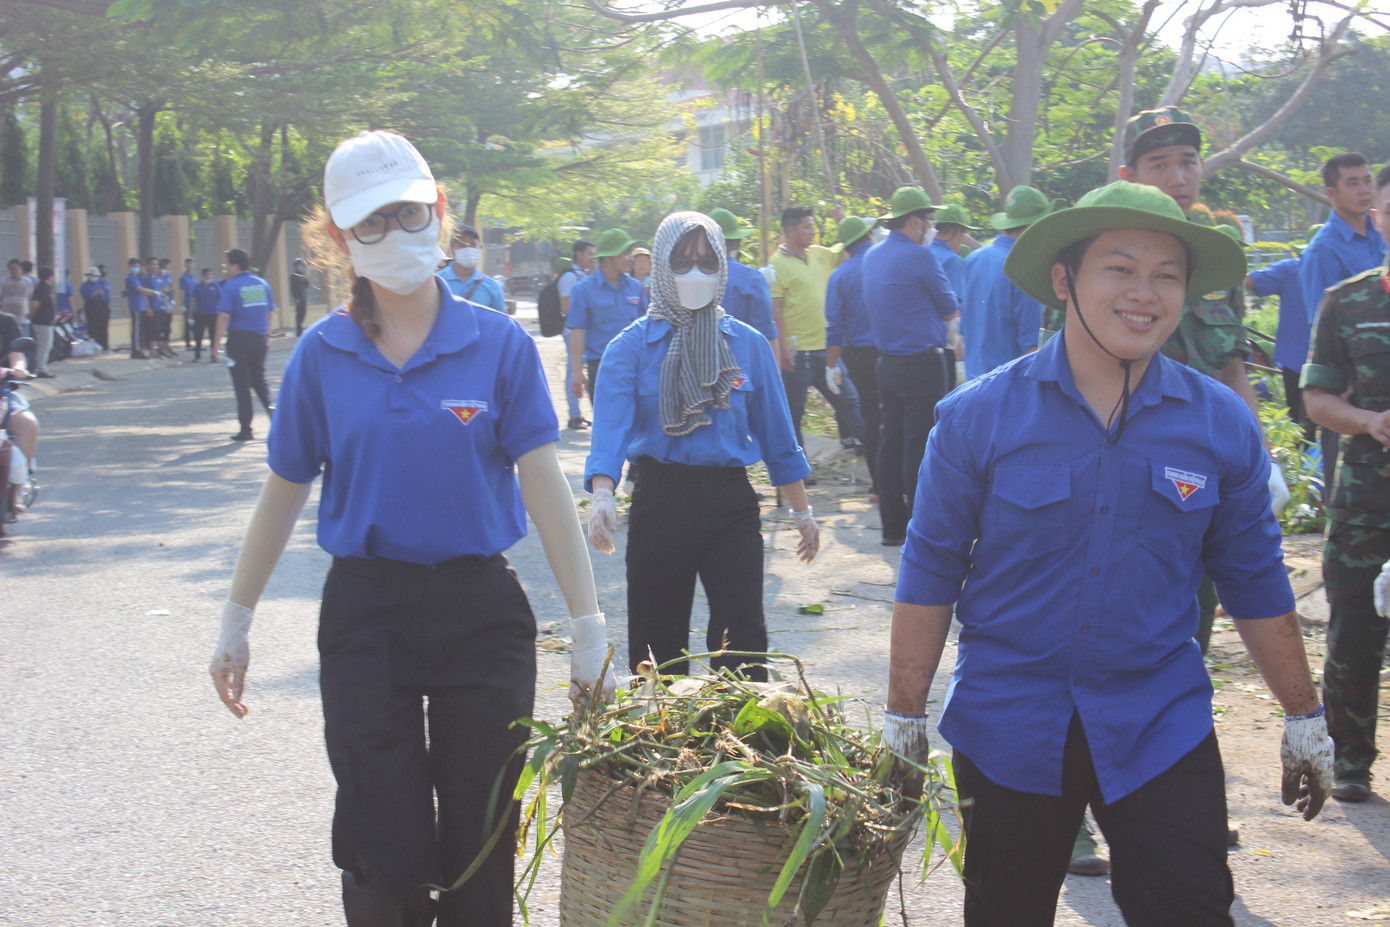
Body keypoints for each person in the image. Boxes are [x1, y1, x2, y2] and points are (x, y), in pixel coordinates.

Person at [884, 181, 1334, 926]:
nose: (1144, 293)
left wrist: (1303, 714)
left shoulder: (1219, 424)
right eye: (1120, 269)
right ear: (1064, 281)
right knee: (1004, 914)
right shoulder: (977, 418)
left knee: (1192, 910)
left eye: (1167, 275)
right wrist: (903, 718)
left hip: (1160, 720)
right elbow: (930, 570)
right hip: (1010, 723)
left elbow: (1254, 578)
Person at [208, 129, 616, 927]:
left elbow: (543, 485)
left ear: (439, 209)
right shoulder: (322, 356)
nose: (394, 233)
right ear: (339, 238)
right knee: (380, 837)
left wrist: (589, 626)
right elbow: (283, 491)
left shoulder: (497, 344)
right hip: (367, 615)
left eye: (408, 212)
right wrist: (235, 620)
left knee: (480, 833)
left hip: (480, 611)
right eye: (371, 221)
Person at [584, 209, 818, 678]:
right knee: (657, 645)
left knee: (742, 638)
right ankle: (660, 722)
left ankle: (744, 723)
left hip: (730, 503)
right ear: (661, 268)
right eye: (682, 262)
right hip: (660, 501)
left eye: (707, 262)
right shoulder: (630, 348)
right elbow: (610, 431)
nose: (696, 273)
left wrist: (802, 512)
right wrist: (603, 494)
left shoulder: (748, 345)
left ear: (722, 268)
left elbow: (778, 437)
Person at [1301, 160, 1390, 804]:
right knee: (1354, 633)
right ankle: (1350, 760)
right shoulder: (1348, 300)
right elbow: (1317, 399)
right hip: (1366, 503)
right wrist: (1369, 422)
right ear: (1378, 219)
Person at [861, 186, 960, 546]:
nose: (931, 228)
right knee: (919, 445)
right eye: (929, 221)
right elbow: (949, 307)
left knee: (890, 443)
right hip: (921, 361)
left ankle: (892, 527)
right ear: (915, 222)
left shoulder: (872, 255)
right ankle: (922, 528)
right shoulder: (921, 256)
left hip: (886, 362)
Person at [1301, 152, 1388, 494]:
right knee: (1347, 475)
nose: (1364, 189)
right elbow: (1320, 326)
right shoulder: (1322, 251)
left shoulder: (1379, 234)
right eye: (1352, 183)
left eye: (1366, 180)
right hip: (1351, 393)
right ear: (1331, 194)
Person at [769, 205, 865, 454]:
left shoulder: (820, 253)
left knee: (851, 403)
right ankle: (798, 468)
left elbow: (849, 251)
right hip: (798, 354)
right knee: (794, 413)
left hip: (828, 352)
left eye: (813, 226)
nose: (812, 231)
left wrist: (842, 222)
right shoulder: (776, 263)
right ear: (791, 230)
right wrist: (782, 349)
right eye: (807, 227)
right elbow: (775, 309)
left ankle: (874, 452)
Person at [960, 186, 1055, 379]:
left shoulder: (974, 259)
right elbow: (1031, 347)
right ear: (1033, 226)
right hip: (1007, 385)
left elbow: (963, 335)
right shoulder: (1023, 269)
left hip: (973, 382)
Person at [823, 215, 880, 491]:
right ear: (869, 235)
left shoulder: (840, 276)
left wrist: (831, 365)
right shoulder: (888, 262)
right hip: (898, 350)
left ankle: (880, 485)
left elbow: (835, 328)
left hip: (861, 356)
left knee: (872, 418)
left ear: (846, 246)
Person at [567, 228, 647, 404]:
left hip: (635, 367)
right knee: (606, 420)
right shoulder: (583, 290)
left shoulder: (636, 287)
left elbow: (646, 328)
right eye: (626, 253)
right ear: (609, 257)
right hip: (602, 369)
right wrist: (577, 371)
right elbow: (578, 332)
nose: (631, 259)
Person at [1245, 252, 1312, 440]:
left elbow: (1245, 282)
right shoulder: (1345, 267)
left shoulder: (1291, 269)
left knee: (1301, 428)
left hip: (1297, 361)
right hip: (1323, 360)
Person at [213, 249, 276, 441]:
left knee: (242, 384)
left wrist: (216, 346)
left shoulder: (231, 286)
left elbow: (224, 316)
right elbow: (270, 312)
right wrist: (267, 336)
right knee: (259, 380)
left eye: (227, 265)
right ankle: (274, 413)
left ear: (234, 266)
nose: (226, 269)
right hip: (259, 339)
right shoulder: (262, 284)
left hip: (239, 340)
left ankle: (246, 429)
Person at [708, 208, 778, 348]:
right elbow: (767, 335)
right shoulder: (752, 279)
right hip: (744, 358)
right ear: (738, 242)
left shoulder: (687, 277)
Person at [0, 308, 38, 518]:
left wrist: (19, 369)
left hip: (2, 392)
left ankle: (17, 491)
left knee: (28, 424)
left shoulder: (5, 321)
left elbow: (17, 355)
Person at [558, 240, 595, 429]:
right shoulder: (570, 277)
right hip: (572, 332)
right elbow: (565, 307)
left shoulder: (582, 275)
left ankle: (577, 414)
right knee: (574, 371)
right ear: (578, 254)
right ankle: (574, 416)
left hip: (582, 331)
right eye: (589, 254)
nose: (592, 258)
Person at [438, 224, 506, 313]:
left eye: (473, 244)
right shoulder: (438, 282)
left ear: (480, 248)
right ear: (452, 251)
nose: (468, 249)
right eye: (462, 245)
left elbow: (502, 319)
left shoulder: (492, 286)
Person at [28, 266, 56, 379]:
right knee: (44, 346)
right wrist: (31, 315)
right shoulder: (42, 288)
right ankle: (41, 369)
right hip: (41, 321)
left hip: (45, 321)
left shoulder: (44, 288)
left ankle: (40, 367)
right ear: (49, 277)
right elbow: (35, 304)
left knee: (45, 345)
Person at [191, 267, 222, 361]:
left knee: (213, 336)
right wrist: (190, 314)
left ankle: (214, 355)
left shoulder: (215, 286)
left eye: (210, 275)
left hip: (213, 314)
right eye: (207, 275)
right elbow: (194, 300)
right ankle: (197, 356)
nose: (208, 277)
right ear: (203, 276)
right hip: (200, 314)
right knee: (198, 336)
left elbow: (220, 299)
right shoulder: (198, 287)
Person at [122, 258, 150, 359]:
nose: (136, 268)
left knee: (140, 329)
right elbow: (140, 289)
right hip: (135, 306)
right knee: (136, 329)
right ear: (130, 266)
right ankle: (136, 350)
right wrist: (154, 292)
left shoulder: (138, 278)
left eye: (138, 266)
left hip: (141, 306)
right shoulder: (130, 278)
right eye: (134, 266)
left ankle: (139, 348)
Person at [80, 266, 111, 352]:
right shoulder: (85, 285)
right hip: (91, 305)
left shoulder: (100, 283)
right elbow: (86, 296)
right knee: (92, 325)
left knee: (102, 325)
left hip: (101, 305)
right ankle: (93, 344)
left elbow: (106, 295)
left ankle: (104, 345)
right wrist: (95, 293)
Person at [2, 259, 32, 325]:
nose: (13, 271)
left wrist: (30, 313)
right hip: (8, 318)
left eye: (15, 269)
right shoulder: (4, 282)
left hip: (23, 318)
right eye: (11, 269)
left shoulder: (27, 282)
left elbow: (30, 298)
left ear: (21, 269)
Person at [289, 258, 311, 335]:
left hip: (303, 297)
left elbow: (306, 285)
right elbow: (292, 288)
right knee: (299, 314)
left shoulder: (303, 276)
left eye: (301, 265)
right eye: (298, 265)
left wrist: (307, 280)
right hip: (298, 298)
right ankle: (299, 330)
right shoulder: (293, 277)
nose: (300, 267)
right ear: (295, 266)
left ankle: (300, 327)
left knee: (303, 313)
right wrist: (295, 298)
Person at [180, 257, 198, 348]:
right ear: (185, 265)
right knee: (188, 323)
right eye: (189, 264)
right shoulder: (183, 277)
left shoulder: (194, 277)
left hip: (194, 304)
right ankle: (188, 343)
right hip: (187, 303)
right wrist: (182, 304)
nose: (190, 266)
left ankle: (196, 342)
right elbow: (182, 292)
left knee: (195, 323)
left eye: (192, 264)